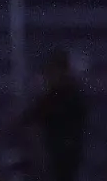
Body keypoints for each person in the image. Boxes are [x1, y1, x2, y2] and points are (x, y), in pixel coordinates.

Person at [19, 50, 87, 181]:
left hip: (64, 153)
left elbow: (33, 115)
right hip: (56, 154)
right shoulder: (55, 96)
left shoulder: (66, 96)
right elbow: (30, 116)